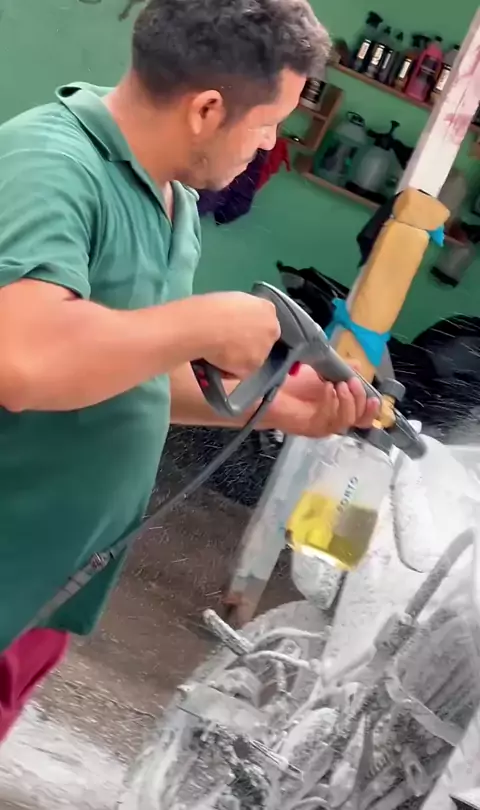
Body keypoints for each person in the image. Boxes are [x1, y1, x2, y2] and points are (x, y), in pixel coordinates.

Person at [0, 0, 379, 740]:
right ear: (207, 109)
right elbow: (25, 359)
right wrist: (207, 323)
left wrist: (277, 405)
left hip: (40, 584)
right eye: (268, 123)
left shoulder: (173, 202)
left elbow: (126, 370)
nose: (270, 144)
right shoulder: (51, 166)